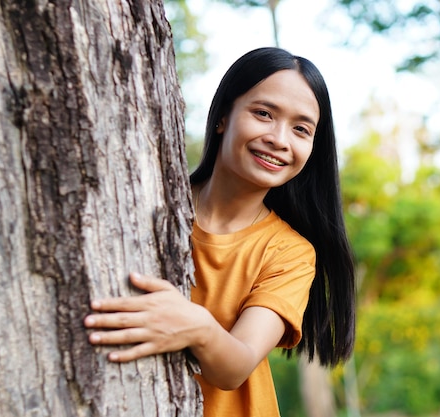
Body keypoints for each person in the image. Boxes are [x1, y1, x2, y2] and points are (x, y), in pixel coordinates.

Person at [84, 47, 356, 417]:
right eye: (263, 113)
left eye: (301, 129)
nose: (279, 138)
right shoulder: (149, 202)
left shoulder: (289, 252)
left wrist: (196, 325)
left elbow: (235, 366)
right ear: (222, 117)